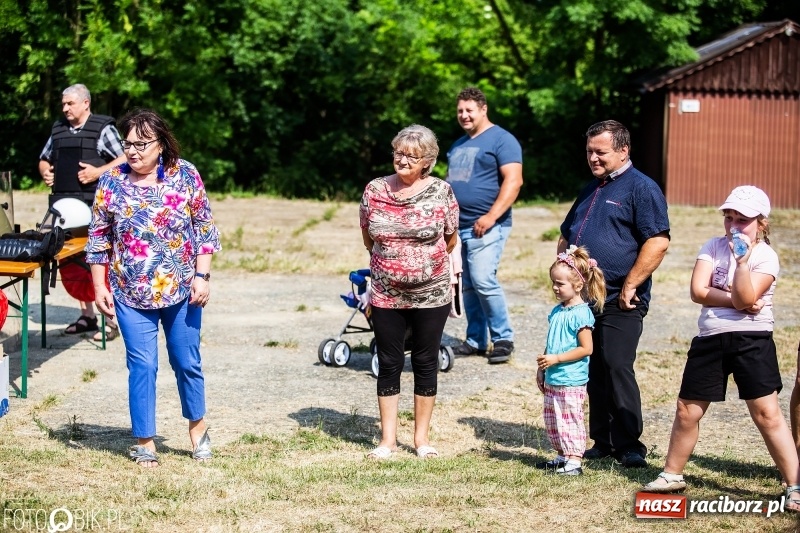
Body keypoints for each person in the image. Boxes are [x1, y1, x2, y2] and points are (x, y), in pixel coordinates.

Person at [642, 186, 800, 511]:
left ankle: (794, 485)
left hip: (752, 340)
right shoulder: (712, 246)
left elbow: (748, 300)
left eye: (742, 220)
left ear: (762, 223)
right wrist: (737, 298)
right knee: (687, 411)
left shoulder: (765, 256)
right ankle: (672, 475)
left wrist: (742, 266)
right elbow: (698, 291)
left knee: (767, 414)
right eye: (729, 217)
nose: (733, 226)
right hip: (710, 337)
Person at [85, 108, 221, 467]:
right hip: (130, 292)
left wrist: (202, 276)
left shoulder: (185, 174)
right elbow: (98, 238)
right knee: (142, 365)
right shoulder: (111, 182)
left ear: (161, 144)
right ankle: (145, 441)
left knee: (186, 361)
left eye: (141, 144)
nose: (133, 151)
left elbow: (204, 228)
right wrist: (99, 285)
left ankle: (198, 430)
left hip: (182, 289)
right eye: (128, 144)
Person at [558, 120, 670, 468]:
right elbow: (567, 234)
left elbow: (658, 240)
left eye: (600, 152)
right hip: (586, 301)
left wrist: (633, 283)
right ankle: (602, 441)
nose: (593, 157)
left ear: (623, 150)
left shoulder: (641, 188)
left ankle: (630, 444)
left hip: (623, 298)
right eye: (589, 151)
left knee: (617, 365)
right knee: (592, 368)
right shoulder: (591, 188)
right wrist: (564, 269)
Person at [360, 124, 459, 459]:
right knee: (388, 361)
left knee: (425, 360)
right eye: (399, 153)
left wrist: (421, 265)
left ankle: (421, 439)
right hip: (386, 293)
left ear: (426, 161)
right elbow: (368, 238)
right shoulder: (374, 190)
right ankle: (387, 441)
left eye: (411, 156)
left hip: (432, 293)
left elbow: (449, 239)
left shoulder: (442, 192)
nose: (402, 160)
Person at [38, 83, 126, 341]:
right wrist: (45, 170)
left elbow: (126, 158)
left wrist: (99, 172)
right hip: (65, 209)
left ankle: (112, 322)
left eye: (70, 103)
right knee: (72, 264)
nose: (65, 108)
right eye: (63, 104)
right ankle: (87, 316)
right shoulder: (58, 130)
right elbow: (44, 157)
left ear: (86, 103)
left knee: (99, 263)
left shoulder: (103, 129)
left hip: (98, 209)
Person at [446, 87, 523, 364]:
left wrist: (491, 217)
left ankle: (503, 338)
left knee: (482, 279)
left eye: (469, 110)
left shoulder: (502, 140)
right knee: (466, 285)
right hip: (459, 227)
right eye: (460, 111)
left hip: (488, 225)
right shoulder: (457, 145)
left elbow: (514, 182)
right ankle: (476, 339)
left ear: (483, 109)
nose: (464, 115)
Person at [535, 246, 606, 476]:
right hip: (554, 376)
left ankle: (574, 461)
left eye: (560, 284)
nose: (555, 288)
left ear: (578, 285)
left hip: (571, 379)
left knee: (570, 420)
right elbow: (551, 342)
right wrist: (542, 368)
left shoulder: (581, 313)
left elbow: (586, 348)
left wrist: (557, 359)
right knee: (553, 419)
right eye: (553, 282)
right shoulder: (557, 311)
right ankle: (561, 456)